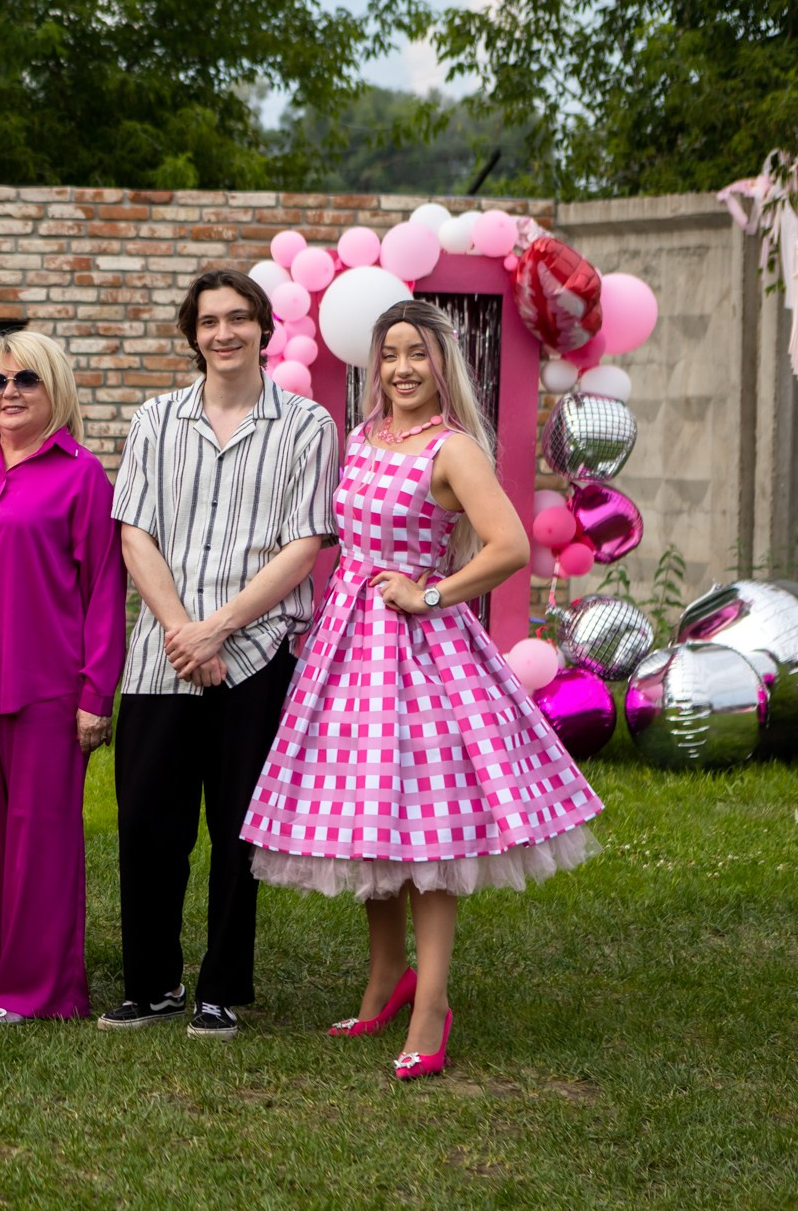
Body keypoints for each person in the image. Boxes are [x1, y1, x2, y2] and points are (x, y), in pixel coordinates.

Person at [241, 300, 600, 1078]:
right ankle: (384, 980)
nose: (402, 368)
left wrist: (432, 593)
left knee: (429, 830)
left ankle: (431, 1000)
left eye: (417, 354)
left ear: (442, 364)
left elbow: (506, 545)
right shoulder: (363, 437)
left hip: (422, 653)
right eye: (390, 353)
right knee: (369, 817)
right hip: (348, 650)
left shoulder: (452, 447)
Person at [103, 269, 339, 1040]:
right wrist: (182, 630)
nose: (225, 333)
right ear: (193, 332)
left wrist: (220, 630)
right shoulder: (154, 419)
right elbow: (134, 530)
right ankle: (152, 983)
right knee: (145, 821)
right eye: (210, 321)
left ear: (265, 329)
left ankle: (220, 986)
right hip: (160, 654)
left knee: (240, 827)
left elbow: (305, 543)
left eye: (240, 318)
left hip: (258, 652)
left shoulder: (306, 425)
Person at [0, 330, 126, 1025]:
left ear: (55, 389)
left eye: (26, 380)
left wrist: (97, 694)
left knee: (41, 841)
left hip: (46, 685)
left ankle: (35, 988)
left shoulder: (82, 476)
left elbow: (103, 587)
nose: (9, 393)